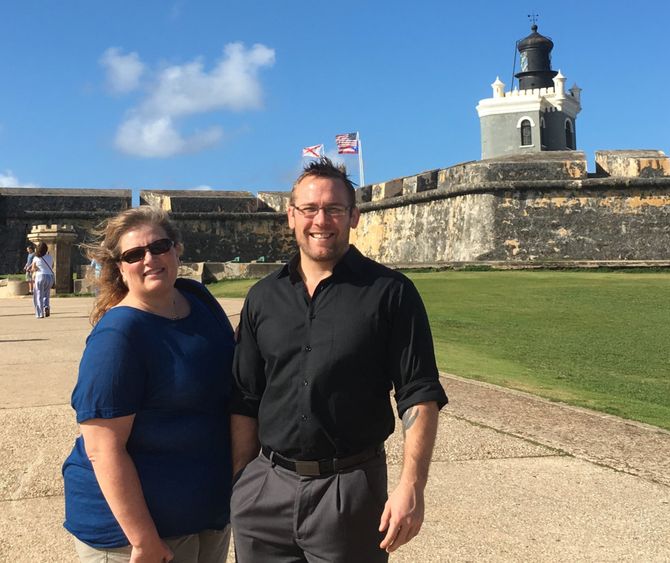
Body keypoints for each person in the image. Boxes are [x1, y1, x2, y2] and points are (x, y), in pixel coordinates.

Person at [231, 157, 449, 562]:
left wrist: (412, 487)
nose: (321, 220)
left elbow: (418, 393)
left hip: (349, 487)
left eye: (334, 209)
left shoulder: (390, 293)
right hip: (266, 488)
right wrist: (242, 483)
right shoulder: (263, 297)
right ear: (291, 217)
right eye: (309, 209)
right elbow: (245, 397)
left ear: (353, 216)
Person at [62, 206, 235, 563]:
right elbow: (103, 448)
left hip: (204, 511)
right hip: (135, 533)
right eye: (134, 254)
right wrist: (143, 540)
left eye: (159, 246)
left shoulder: (197, 298)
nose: (150, 259)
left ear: (176, 250)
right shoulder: (118, 336)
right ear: (120, 268)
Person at [31, 241, 54, 318]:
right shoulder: (50, 257)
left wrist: (37, 268)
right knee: (46, 294)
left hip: (40, 276)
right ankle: (46, 306)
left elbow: (33, 268)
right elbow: (52, 266)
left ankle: (40, 313)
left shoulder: (36, 258)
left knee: (38, 295)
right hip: (50, 277)